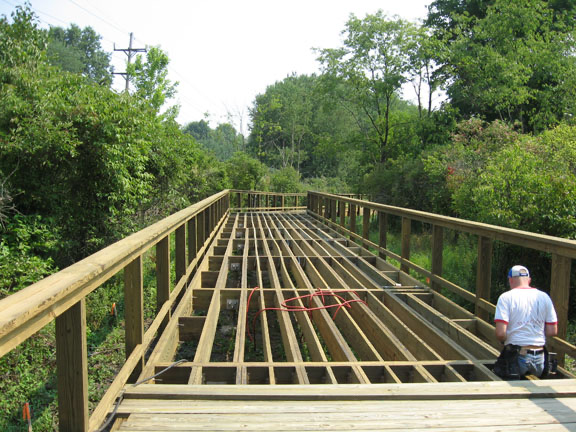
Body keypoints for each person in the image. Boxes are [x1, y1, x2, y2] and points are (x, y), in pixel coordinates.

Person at [493, 265, 558, 378]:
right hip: (540, 359)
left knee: (496, 373)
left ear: (510, 280)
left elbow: (500, 333)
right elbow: (552, 331)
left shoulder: (506, 297)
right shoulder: (544, 297)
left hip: (517, 357)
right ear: (529, 280)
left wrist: (505, 340)